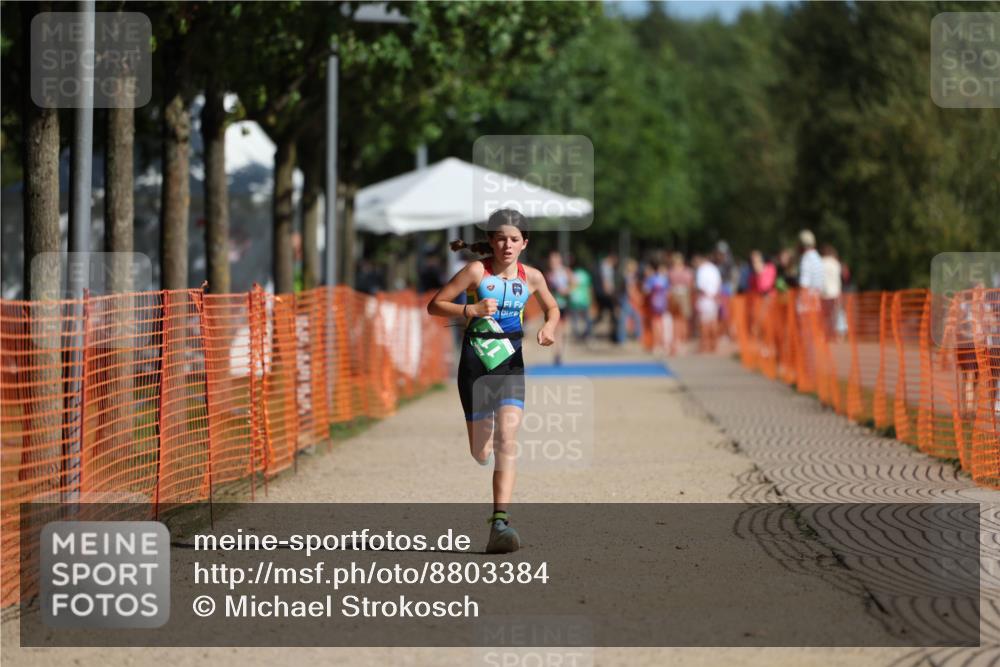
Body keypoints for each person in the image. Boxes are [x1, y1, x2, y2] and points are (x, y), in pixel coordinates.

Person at [427, 209, 560, 554]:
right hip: (475, 365)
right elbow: (435, 305)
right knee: (481, 451)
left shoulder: (531, 277)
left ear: (524, 244)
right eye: (500, 238)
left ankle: (500, 523)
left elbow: (553, 308)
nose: (507, 245)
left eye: (514, 239)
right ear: (490, 240)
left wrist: (548, 327)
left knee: (507, 440)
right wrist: (469, 311)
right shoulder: (475, 272)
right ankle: (482, 457)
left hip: (511, 365)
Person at [545, 250, 573, 365]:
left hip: (564, 304)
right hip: (553, 305)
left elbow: (574, 283)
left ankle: (560, 352)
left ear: (559, 260)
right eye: (551, 260)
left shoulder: (565, 271)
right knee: (555, 329)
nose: (553, 262)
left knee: (562, 329)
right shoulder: (548, 274)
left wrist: (566, 291)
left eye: (555, 260)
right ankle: (556, 353)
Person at [643, 260, 672, 355]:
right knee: (662, 324)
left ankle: (657, 344)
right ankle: (662, 344)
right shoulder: (666, 280)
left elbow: (646, 290)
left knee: (656, 324)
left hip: (655, 303)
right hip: (662, 303)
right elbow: (669, 293)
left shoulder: (652, 279)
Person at [694, 253, 722, 352]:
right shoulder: (714, 269)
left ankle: (705, 345)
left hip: (705, 299)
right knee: (713, 322)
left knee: (704, 323)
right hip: (714, 299)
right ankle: (714, 344)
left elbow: (700, 286)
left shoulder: (701, 270)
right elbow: (719, 283)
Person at [667, 252, 693, 354]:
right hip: (683, 295)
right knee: (682, 320)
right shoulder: (687, 272)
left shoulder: (671, 272)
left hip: (676, 295)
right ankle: (681, 342)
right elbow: (690, 285)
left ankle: (678, 342)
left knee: (678, 320)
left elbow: (670, 285)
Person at [593, 253, 619, 342]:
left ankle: (590, 333)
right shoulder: (607, 267)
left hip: (602, 295)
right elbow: (606, 283)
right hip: (606, 296)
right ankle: (613, 336)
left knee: (603, 316)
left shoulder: (600, 266)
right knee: (608, 316)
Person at [567, 258, 594, 343]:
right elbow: (589, 287)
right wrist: (591, 299)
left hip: (574, 299)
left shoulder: (572, 274)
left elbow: (570, 286)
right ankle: (587, 335)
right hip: (584, 299)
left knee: (575, 319)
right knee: (587, 319)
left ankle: (577, 336)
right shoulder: (585, 274)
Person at [820, 244, 842, 339]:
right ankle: (834, 334)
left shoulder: (821, 262)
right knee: (834, 315)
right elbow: (838, 279)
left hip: (823, 293)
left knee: (824, 315)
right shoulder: (836, 263)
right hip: (834, 292)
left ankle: (825, 334)